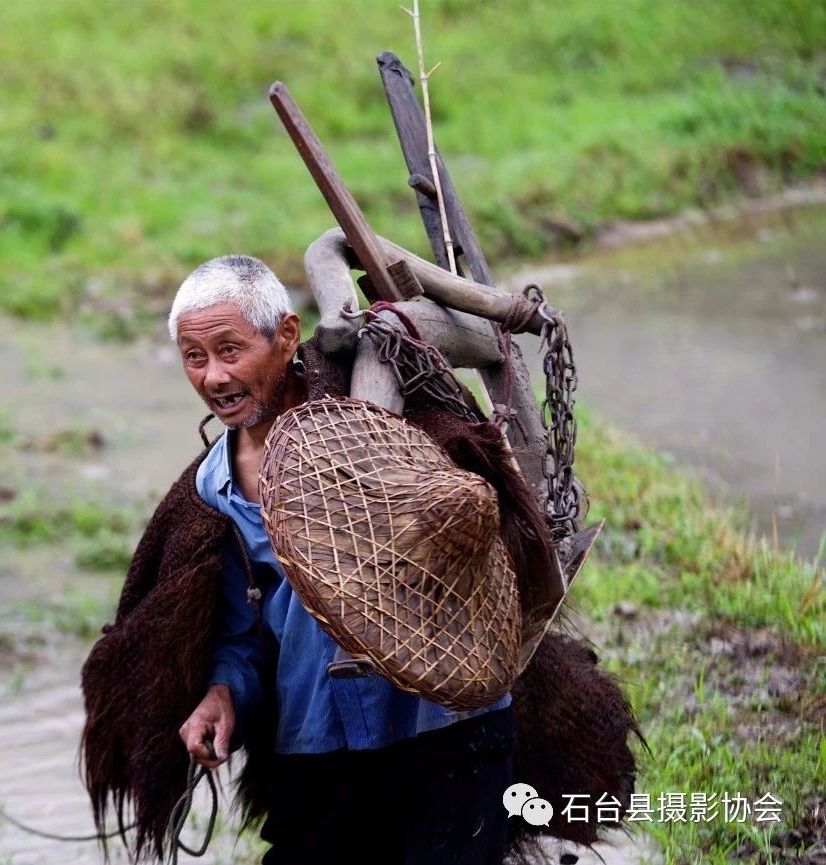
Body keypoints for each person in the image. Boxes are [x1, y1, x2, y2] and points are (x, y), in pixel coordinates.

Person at [79, 255, 637, 864]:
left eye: (230, 350)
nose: (214, 376)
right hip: (316, 753)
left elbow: (489, 539)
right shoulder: (215, 493)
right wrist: (222, 694)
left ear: (286, 337)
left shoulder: (395, 420)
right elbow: (244, 634)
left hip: (445, 734)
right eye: (195, 356)